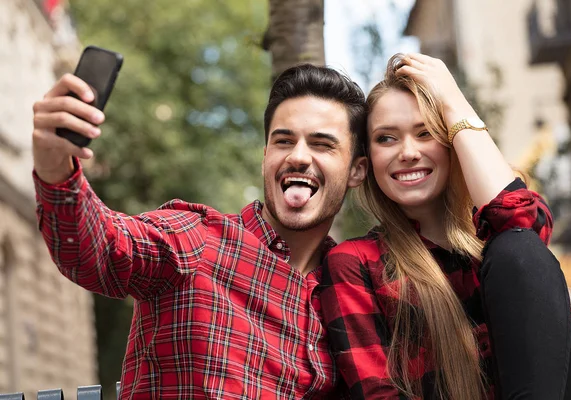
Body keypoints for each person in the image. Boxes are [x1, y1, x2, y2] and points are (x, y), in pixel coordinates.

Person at [31, 64, 368, 398]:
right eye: (283, 141)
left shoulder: (349, 291)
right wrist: (54, 165)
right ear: (266, 156)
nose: (297, 156)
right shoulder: (196, 238)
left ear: (356, 170)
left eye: (322, 144)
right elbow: (99, 248)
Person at [320, 53, 571, 400]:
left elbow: (524, 230)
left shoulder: (493, 245)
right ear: (368, 159)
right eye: (386, 138)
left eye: (425, 133)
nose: (407, 151)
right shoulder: (356, 263)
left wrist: (455, 103)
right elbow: (376, 392)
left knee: (517, 248)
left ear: (451, 140)